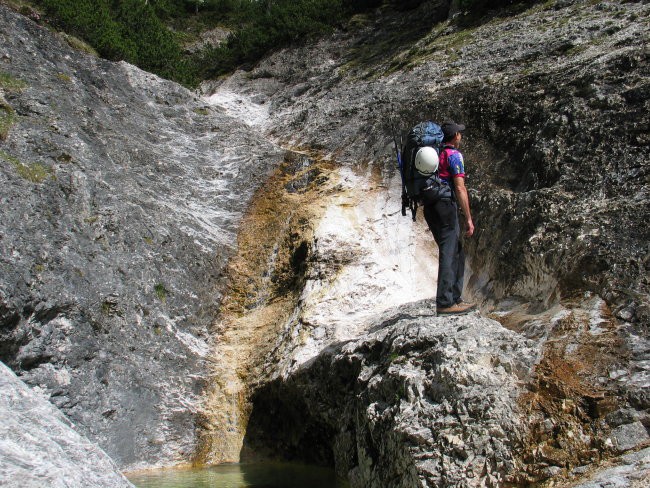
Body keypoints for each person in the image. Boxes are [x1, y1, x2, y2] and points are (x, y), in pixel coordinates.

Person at [422, 120, 476, 315]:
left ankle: (454, 297)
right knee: (449, 250)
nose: (461, 136)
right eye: (459, 133)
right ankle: (445, 302)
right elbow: (460, 187)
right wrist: (468, 218)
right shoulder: (454, 155)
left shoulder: (433, 155)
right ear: (455, 137)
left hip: (430, 206)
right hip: (445, 205)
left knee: (456, 251)